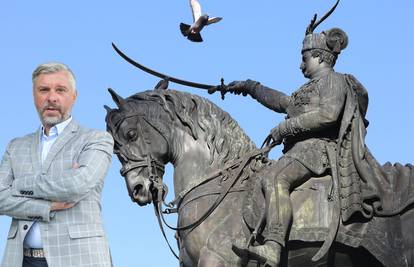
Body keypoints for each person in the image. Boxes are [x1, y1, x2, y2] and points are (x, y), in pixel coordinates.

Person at [215, 13, 382, 266]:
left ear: (319, 56)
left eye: (304, 59)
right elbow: (283, 102)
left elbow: (329, 114)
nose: (301, 66)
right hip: (302, 150)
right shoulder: (308, 89)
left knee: (274, 178)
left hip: (318, 149)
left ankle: (273, 245)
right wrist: (250, 87)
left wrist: (286, 128)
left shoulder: (335, 81)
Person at [0, 62, 114, 267]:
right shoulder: (15, 146)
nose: (51, 97)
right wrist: (47, 206)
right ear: (34, 95)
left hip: (78, 258)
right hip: (20, 259)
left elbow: (76, 185)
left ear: (74, 96)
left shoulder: (96, 139)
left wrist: (17, 187)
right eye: (44, 90)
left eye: (60, 90)